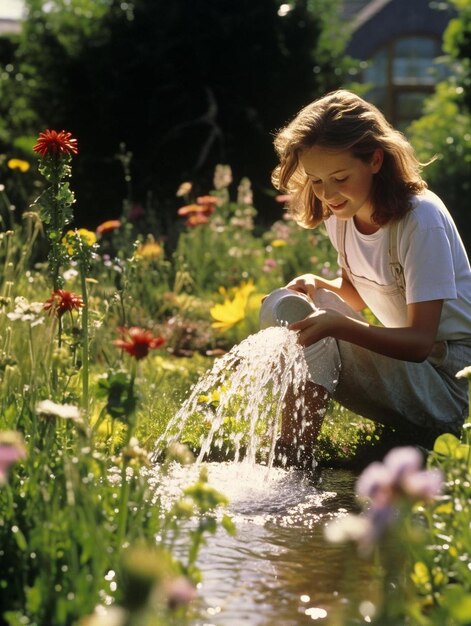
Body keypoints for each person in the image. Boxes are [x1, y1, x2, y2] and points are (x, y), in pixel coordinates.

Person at [271, 89, 471, 469]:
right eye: (315, 180)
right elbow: (355, 293)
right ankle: (290, 455)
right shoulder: (341, 213)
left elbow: (417, 342)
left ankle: (291, 461)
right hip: (418, 369)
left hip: (454, 383)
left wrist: (336, 325)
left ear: (375, 160)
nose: (327, 193)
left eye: (339, 177)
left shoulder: (419, 220)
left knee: (323, 331)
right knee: (295, 310)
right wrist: (318, 285)